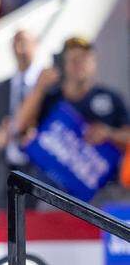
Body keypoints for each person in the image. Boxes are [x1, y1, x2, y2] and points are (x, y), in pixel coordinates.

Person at [14, 37, 130, 196]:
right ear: (64, 65)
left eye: (84, 59)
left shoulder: (111, 98)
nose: (79, 65)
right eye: (73, 60)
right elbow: (19, 125)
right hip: (49, 191)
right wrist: (39, 87)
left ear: (94, 63)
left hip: (99, 195)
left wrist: (109, 134)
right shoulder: (51, 97)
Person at [0, 29, 40, 209]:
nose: (20, 49)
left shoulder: (48, 87)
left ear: (36, 45)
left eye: (25, 42)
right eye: (15, 43)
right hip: (5, 175)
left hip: (39, 177)